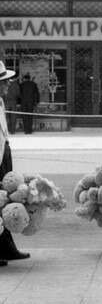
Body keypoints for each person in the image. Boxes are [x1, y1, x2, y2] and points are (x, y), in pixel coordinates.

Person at [0, 61, 30, 267]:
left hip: (3, 154)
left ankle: (7, 248)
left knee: (5, 201)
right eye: (4, 82)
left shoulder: (1, 102)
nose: (8, 85)